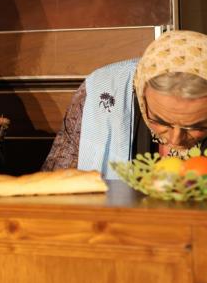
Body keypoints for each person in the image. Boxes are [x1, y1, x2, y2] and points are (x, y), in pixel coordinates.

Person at [42, 30, 207, 179]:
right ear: (142, 97)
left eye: (195, 127)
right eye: (160, 121)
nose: (175, 139)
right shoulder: (101, 91)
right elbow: (56, 181)